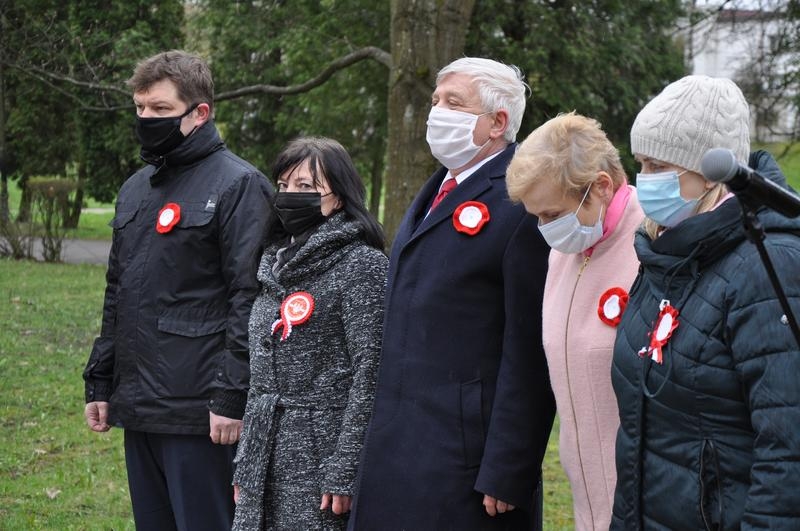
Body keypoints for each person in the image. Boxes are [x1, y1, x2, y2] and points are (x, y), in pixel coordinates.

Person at [348, 57, 556, 530]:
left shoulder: (522, 202)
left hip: (465, 455)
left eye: (453, 103)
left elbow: (528, 349)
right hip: (398, 440)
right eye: (436, 100)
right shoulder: (439, 186)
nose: (436, 112)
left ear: (497, 122)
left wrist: (510, 466)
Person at [82, 50, 273, 530]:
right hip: (141, 404)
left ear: (199, 113)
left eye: (160, 109)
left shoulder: (240, 185)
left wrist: (232, 396)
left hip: (200, 413)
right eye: (140, 108)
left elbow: (250, 298)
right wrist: (101, 381)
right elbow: (117, 292)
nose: (146, 118)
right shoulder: (136, 189)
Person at [611, 74, 800, 529]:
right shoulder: (663, 250)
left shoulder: (767, 264)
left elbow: (788, 446)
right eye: (640, 163)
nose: (645, 181)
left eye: (658, 165)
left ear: (712, 172)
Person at [231, 137, 388, 530]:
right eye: (284, 185)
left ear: (338, 197)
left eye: (306, 186)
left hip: (321, 455)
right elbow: (260, 379)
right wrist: (245, 464)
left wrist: (345, 467)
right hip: (264, 452)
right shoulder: (273, 262)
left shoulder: (362, 265)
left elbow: (371, 374)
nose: (289, 195)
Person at [505, 111, 644, 531]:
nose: (544, 228)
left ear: (600, 186)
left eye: (552, 213)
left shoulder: (654, 245)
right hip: (586, 502)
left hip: (646, 501)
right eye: (537, 217)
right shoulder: (562, 252)